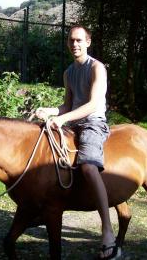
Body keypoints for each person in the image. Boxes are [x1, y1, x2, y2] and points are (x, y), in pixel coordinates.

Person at [35, 25, 117, 259]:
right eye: (71, 40)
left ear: (88, 42)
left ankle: (107, 231)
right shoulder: (69, 72)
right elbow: (67, 105)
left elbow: (92, 104)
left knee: (89, 167)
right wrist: (50, 111)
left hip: (93, 122)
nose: (75, 44)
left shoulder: (97, 68)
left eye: (79, 40)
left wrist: (61, 119)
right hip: (73, 122)